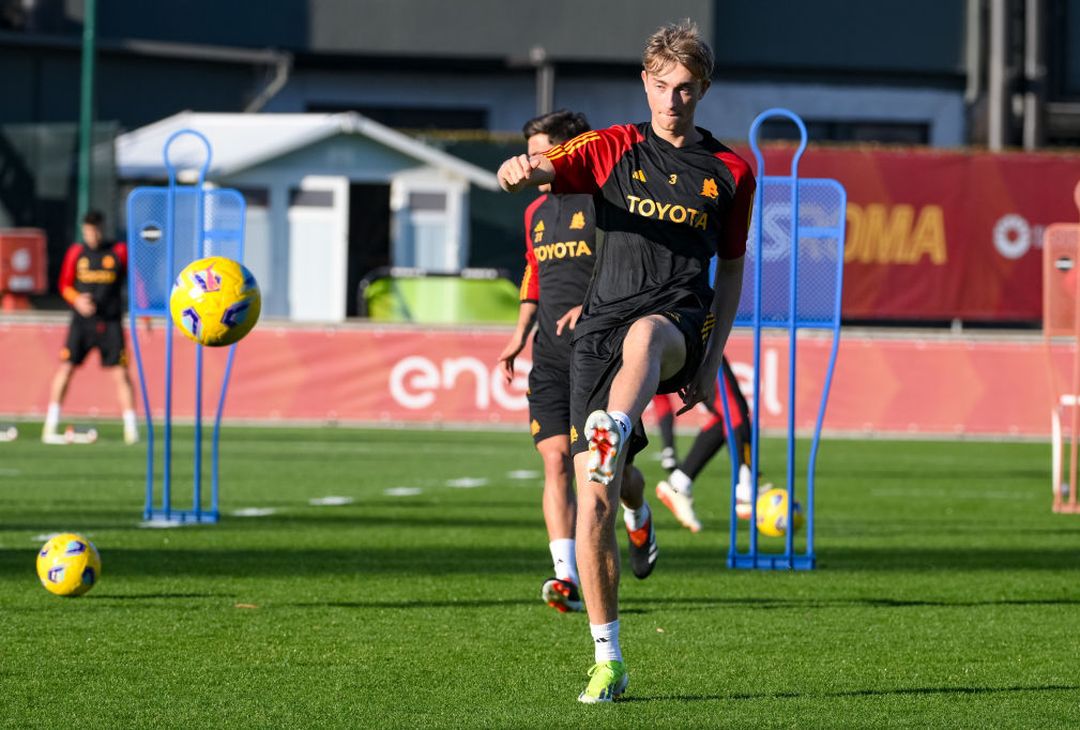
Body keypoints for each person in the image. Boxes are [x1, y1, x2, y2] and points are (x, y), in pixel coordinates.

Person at [496, 20, 755, 703]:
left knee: (647, 334)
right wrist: (524, 168)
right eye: (663, 86)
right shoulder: (612, 147)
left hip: (678, 321)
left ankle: (612, 424)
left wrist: (710, 360)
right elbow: (552, 166)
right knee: (598, 500)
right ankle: (609, 658)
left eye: (687, 90)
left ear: (703, 91)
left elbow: (729, 272)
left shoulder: (730, 172)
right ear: (646, 82)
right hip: (596, 335)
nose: (673, 100)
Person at [497, 110, 658, 616]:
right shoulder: (534, 213)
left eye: (541, 151)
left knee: (614, 475)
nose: (532, 162)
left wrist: (589, 307)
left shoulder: (602, 200)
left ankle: (639, 509)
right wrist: (519, 334)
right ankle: (564, 573)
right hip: (548, 356)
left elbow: (626, 267)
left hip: (598, 352)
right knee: (554, 461)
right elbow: (534, 272)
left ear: (570, 151)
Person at [43, 210, 139, 445]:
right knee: (66, 368)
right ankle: (50, 424)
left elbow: (136, 280)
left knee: (121, 373)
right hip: (81, 323)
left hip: (110, 321)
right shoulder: (76, 253)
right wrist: (77, 299)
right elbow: (64, 285)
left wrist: (143, 311)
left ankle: (131, 429)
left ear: (102, 229)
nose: (91, 236)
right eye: (87, 231)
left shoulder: (118, 251)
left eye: (95, 231)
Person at [656, 355, 768, 532]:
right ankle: (745, 490)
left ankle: (680, 482)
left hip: (685, 345)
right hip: (695, 345)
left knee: (726, 414)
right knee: (733, 409)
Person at [651, 393, 679, 471]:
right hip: (664, 413)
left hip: (664, 413)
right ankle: (671, 460)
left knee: (668, 440)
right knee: (668, 439)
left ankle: (669, 460)